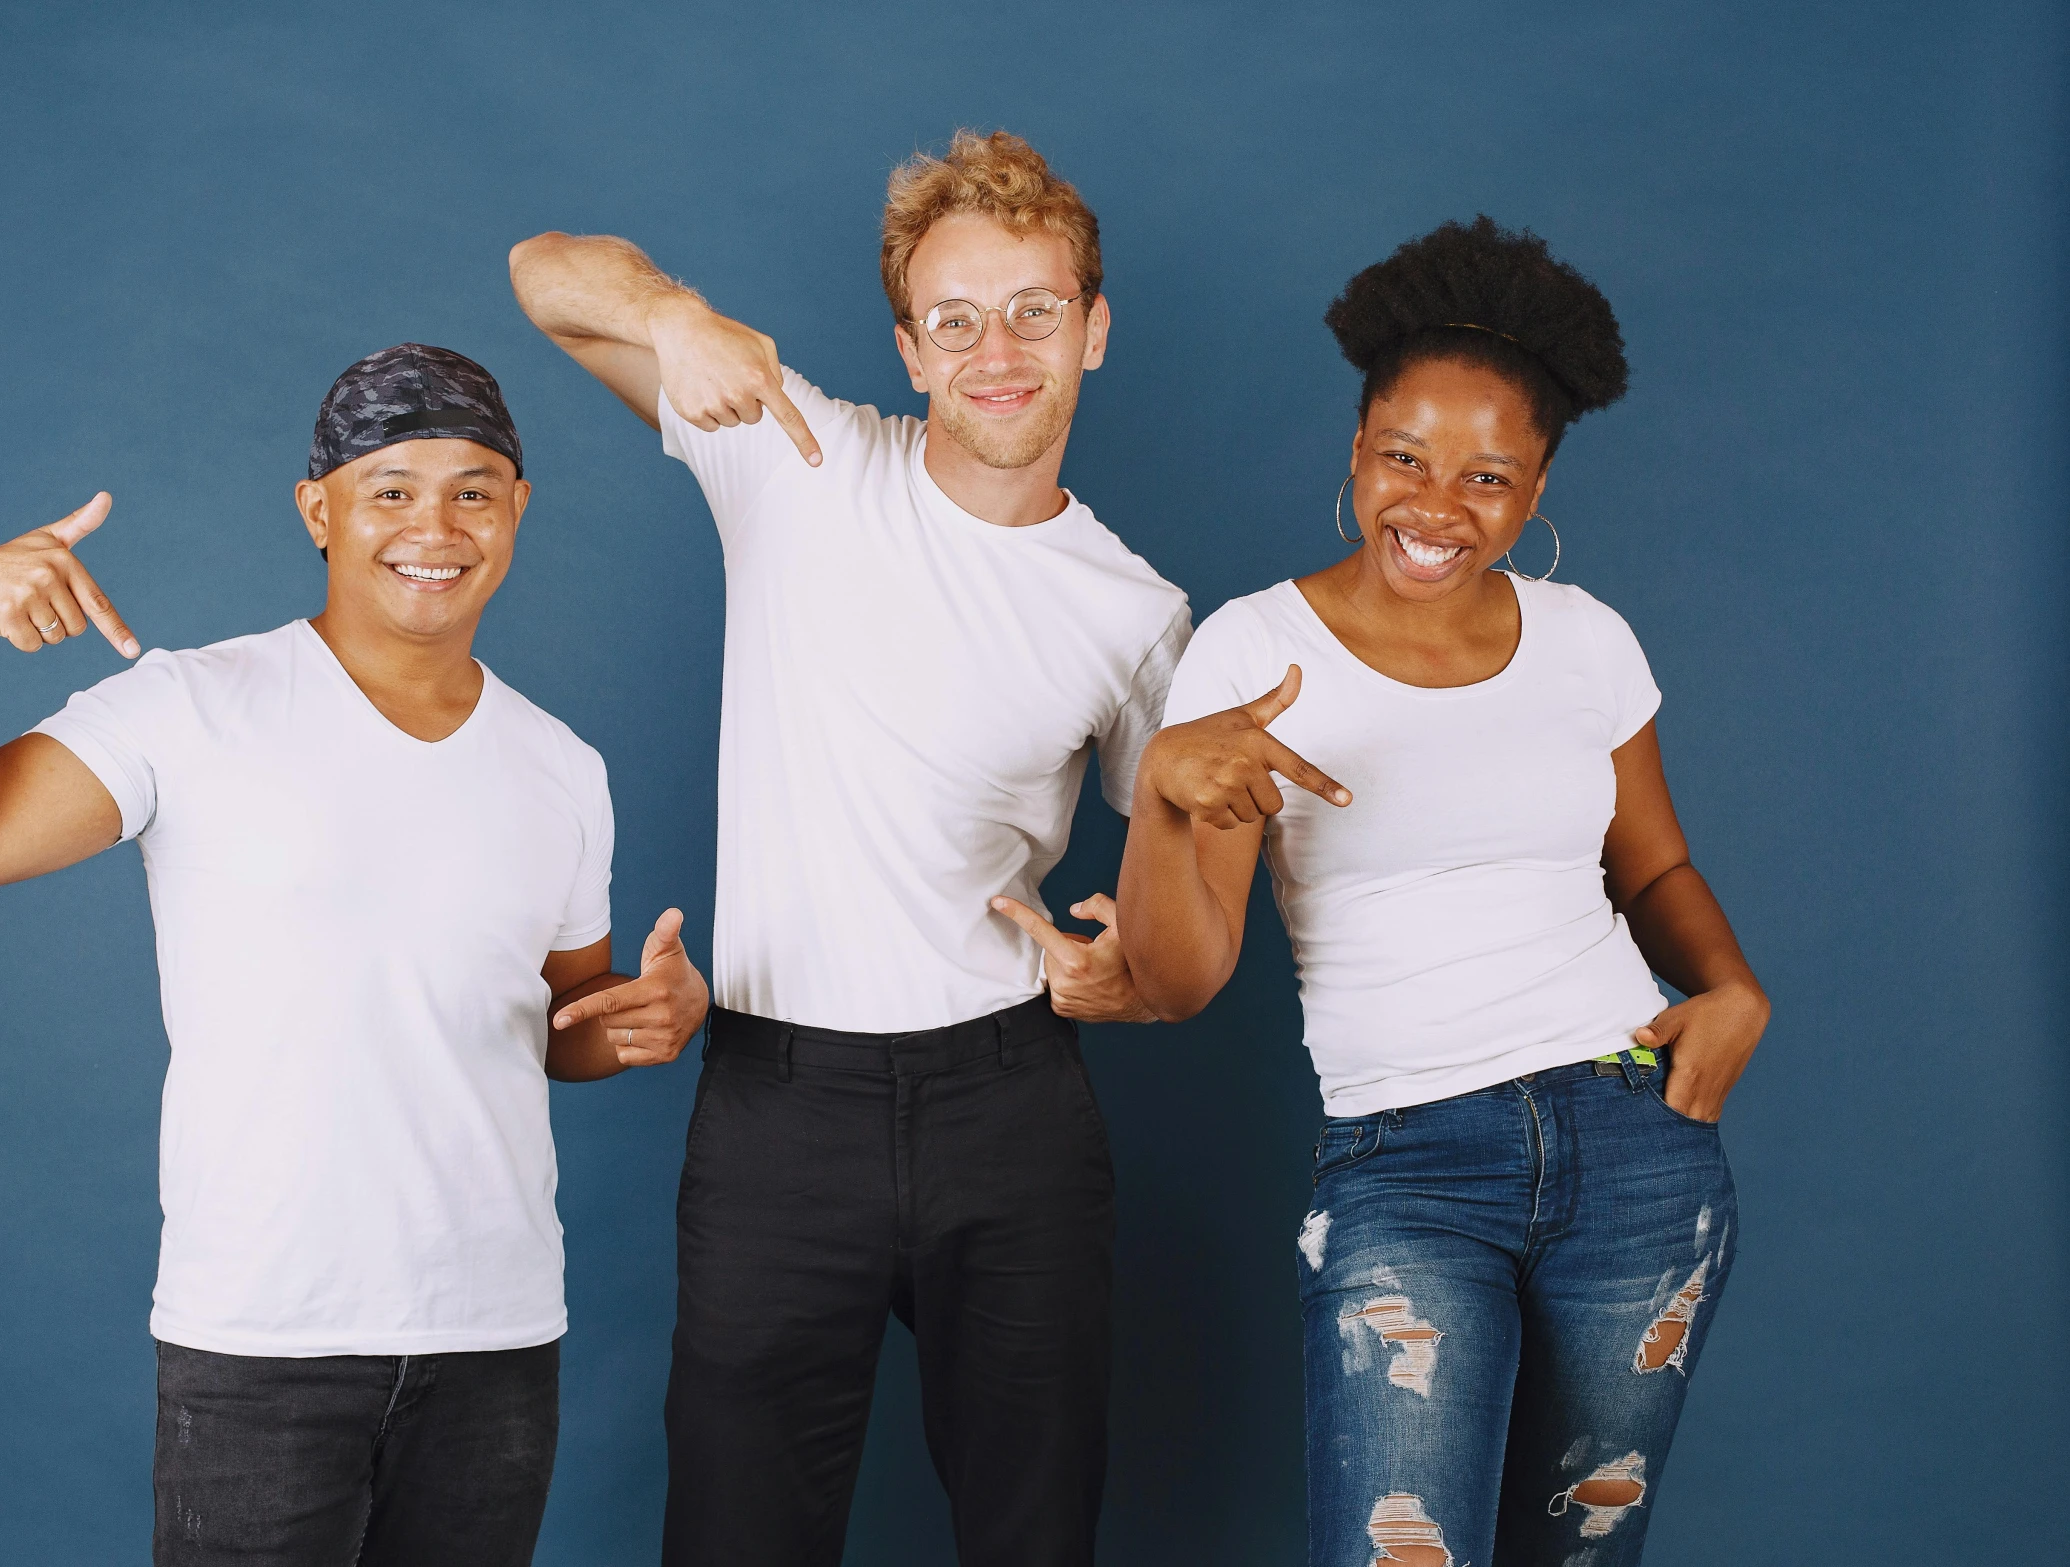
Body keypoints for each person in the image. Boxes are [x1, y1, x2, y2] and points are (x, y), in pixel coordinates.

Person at [0, 344, 710, 1567]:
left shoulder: (561, 766)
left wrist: (640, 1021)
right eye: (391, 489)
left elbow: (563, 1027)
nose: (437, 524)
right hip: (263, 1339)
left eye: (474, 488)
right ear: (318, 509)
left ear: (519, 509)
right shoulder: (192, 708)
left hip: (496, 1338)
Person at [509, 130, 1190, 1567]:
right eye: (955, 318)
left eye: (1033, 310)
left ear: (1094, 329)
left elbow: (1184, 870)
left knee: (1034, 1536)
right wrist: (675, 318)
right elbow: (543, 277)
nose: (997, 349)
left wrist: (1143, 959)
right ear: (908, 346)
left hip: (1009, 1106)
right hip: (777, 1110)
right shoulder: (796, 458)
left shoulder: (1136, 614)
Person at [1117, 218, 1769, 1567]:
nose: (1436, 503)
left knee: (1580, 1552)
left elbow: (1649, 862)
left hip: (1635, 1143)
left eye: (1486, 475)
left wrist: (1729, 989)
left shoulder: (1587, 640)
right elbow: (1176, 980)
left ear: (1533, 492)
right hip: (1403, 1164)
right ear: (1355, 446)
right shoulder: (1253, 646)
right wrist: (1169, 793)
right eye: (1404, 456)